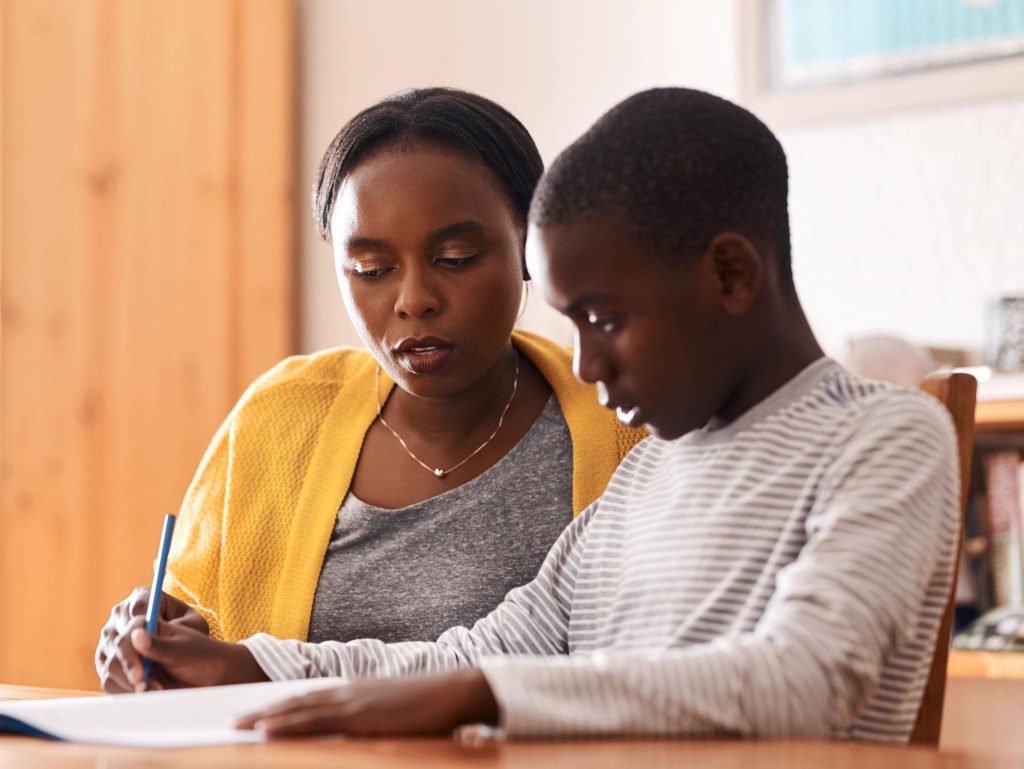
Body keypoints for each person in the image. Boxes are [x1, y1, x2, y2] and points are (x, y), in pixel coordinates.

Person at [126, 88, 959, 744]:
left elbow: (802, 681)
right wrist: (249, 663)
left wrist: (486, 692)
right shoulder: (645, 475)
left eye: (602, 318)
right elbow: (472, 654)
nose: (586, 367)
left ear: (731, 276)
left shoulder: (884, 437)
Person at [94, 88, 644, 693]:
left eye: (456, 257)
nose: (414, 300)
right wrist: (154, 648)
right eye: (372, 271)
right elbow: (200, 633)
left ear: (530, 244)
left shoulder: (628, 424)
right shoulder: (281, 419)